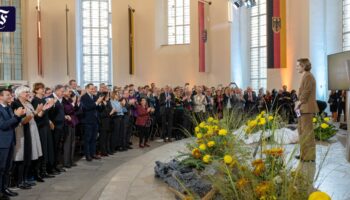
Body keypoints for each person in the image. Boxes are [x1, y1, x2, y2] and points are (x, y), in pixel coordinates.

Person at [0, 88, 25, 200]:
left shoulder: (9, 108)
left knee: (7, 168)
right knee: (1, 168)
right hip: (2, 143)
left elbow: (12, 125)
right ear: (0, 96)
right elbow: (3, 126)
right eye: (7, 95)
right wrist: (16, 116)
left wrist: (18, 117)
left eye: (10, 95)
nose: (10, 96)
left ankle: (4, 188)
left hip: (10, 141)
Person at [294, 58, 319, 162]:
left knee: (307, 133)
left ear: (303, 66)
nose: (296, 67)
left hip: (306, 108)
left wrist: (299, 103)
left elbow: (307, 92)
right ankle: (304, 154)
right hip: (303, 108)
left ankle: (309, 157)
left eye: (298, 66)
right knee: (302, 132)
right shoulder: (305, 75)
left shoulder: (308, 76)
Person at [80, 83, 104, 161]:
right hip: (87, 121)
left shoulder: (95, 96)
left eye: (93, 88)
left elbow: (99, 109)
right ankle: (88, 155)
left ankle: (93, 153)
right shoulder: (84, 97)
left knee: (94, 138)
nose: (93, 90)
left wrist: (100, 104)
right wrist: (97, 102)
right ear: (87, 89)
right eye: (91, 89)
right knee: (88, 139)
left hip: (95, 120)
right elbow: (87, 107)